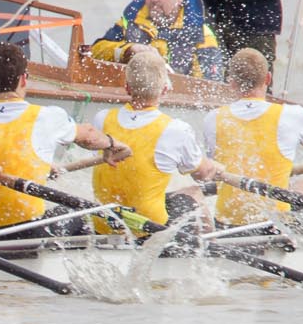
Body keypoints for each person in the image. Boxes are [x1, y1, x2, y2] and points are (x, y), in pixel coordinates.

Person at [0, 42, 129, 235]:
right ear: (24, 79)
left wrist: (42, 166)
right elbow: (89, 137)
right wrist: (111, 143)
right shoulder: (46, 116)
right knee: (77, 215)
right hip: (29, 230)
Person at [204, 49, 303, 227]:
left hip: (226, 222)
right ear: (268, 78)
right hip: (275, 224)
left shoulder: (213, 118)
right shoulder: (291, 114)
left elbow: (212, 169)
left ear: (231, 83)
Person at [91, 47, 223, 233]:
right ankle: (209, 246)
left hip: (103, 224)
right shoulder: (176, 129)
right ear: (165, 89)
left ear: (127, 87)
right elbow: (202, 174)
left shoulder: (102, 118)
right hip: (148, 230)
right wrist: (214, 167)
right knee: (194, 192)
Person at [89, 0, 223, 79]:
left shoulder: (202, 34)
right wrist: (129, 50)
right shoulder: (131, 21)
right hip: (132, 91)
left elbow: (210, 84)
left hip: (175, 97)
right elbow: (95, 51)